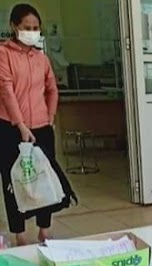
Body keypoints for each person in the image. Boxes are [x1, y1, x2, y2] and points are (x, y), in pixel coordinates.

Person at [0, 4, 73, 246]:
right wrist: (20, 125)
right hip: (10, 129)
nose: (31, 32)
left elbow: (52, 89)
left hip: (41, 127)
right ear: (14, 26)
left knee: (44, 178)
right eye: (26, 27)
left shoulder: (41, 58)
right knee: (14, 181)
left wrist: (50, 117)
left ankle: (44, 229)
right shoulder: (4, 54)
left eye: (35, 28)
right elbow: (6, 91)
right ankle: (20, 234)